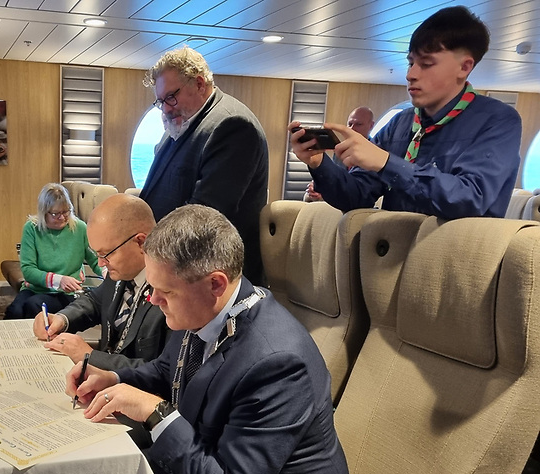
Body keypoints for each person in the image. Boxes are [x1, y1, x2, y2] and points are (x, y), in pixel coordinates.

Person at [67, 205, 352, 474]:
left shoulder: (277, 360)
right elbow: (167, 372)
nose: (152, 299)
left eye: (163, 292)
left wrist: (156, 412)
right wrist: (114, 376)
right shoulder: (203, 305)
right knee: (114, 473)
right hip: (227, 467)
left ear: (216, 283)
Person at [290, 6, 521, 219]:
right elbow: (356, 197)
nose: (411, 74)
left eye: (426, 64)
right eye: (410, 63)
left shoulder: (498, 120)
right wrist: (319, 164)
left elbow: (469, 199)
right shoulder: (400, 124)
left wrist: (386, 163)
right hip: (392, 254)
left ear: (465, 67)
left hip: (456, 258)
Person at [139, 46, 269, 284]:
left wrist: (146, 252)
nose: (166, 108)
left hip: (209, 279)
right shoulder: (181, 126)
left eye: (171, 96)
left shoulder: (232, 125)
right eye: (161, 101)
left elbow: (204, 216)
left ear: (199, 84)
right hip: (177, 267)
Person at [32, 194, 169, 371]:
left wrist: (91, 357)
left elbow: (163, 371)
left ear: (141, 242)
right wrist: (62, 319)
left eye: (106, 254)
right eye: (97, 254)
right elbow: (95, 301)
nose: (101, 263)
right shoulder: (121, 272)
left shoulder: (171, 291)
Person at [4, 183, 102, 320]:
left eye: (66, 211)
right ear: (44, 212)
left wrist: (108, 273)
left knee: (34, 306)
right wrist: (58, 280)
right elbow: (28, 270)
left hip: (66, 293)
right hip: (35, 288)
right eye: (56, 214)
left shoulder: (79, 228)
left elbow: (95, 260)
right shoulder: (32, 228)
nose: (62, 217)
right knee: (15, 311)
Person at [303, 106, 375, 202]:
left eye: (358, 124)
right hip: (338, 195)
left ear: (371, 125)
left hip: (360, 200)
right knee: (308, 196)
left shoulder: (375, 152)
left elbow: (364, 190)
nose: (352, 128)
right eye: (350, 124)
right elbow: (334, 179)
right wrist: (318, 186)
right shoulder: (340, 150)